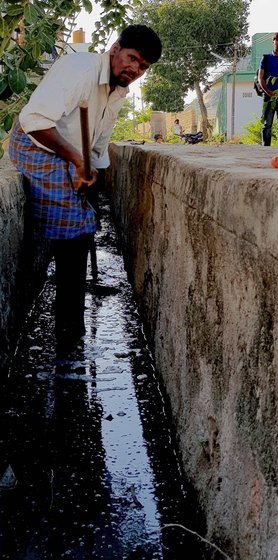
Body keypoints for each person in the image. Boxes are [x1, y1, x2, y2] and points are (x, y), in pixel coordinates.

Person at [9, 24, 162, 349]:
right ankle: (69, 328)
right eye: (132, 58)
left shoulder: (118, 91)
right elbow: (36, 121)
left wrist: (94, 182)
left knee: (88, 215)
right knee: (74, 225)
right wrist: (77, 161)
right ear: (115, 49)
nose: (134, 69)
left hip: (72, 152)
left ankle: (70, 305)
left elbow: (98, 145)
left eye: (143, 67)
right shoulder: (79, 68)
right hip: (34, 143)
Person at [258, 32, 278, 146]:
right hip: (269, 96)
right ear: (273, 42)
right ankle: (266, 148)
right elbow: (260, 77)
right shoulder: (266, 58)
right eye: (277, 40)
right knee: (267, 124)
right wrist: (268, 91)